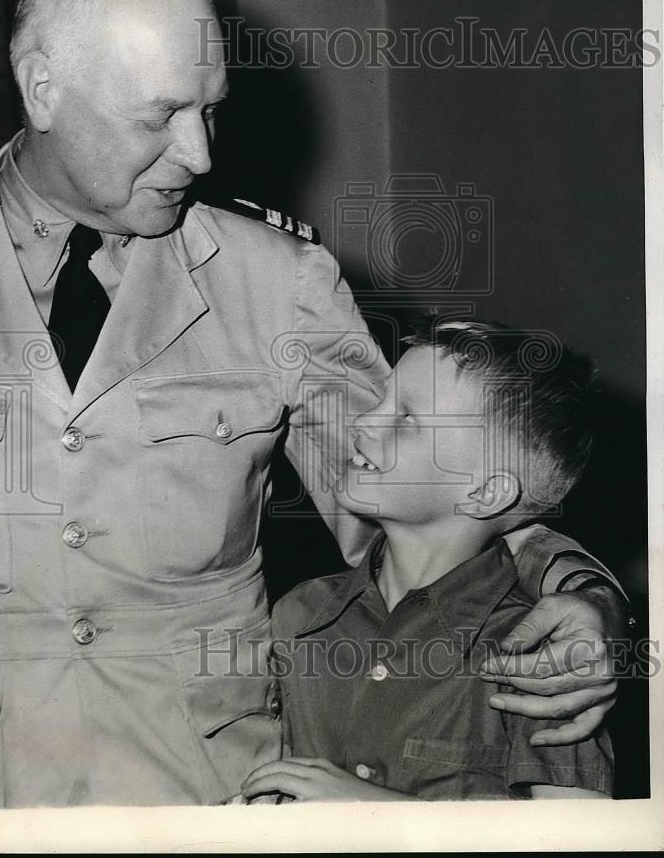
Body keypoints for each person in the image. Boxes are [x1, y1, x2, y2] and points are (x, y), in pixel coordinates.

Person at [0, 0, 623, 808]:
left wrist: (584, 594)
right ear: (44, 89)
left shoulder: (277, 284)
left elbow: (427, 487)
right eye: (159, 116)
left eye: (212, 109)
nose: (199, 154)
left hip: (206, 793)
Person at [242, 320, 614, 802]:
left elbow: (581, 838)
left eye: (407, 419)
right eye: (381, 400)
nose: (365, 421)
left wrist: (374, 812)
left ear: (484, 491)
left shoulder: (536, 658)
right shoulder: (300, 614)